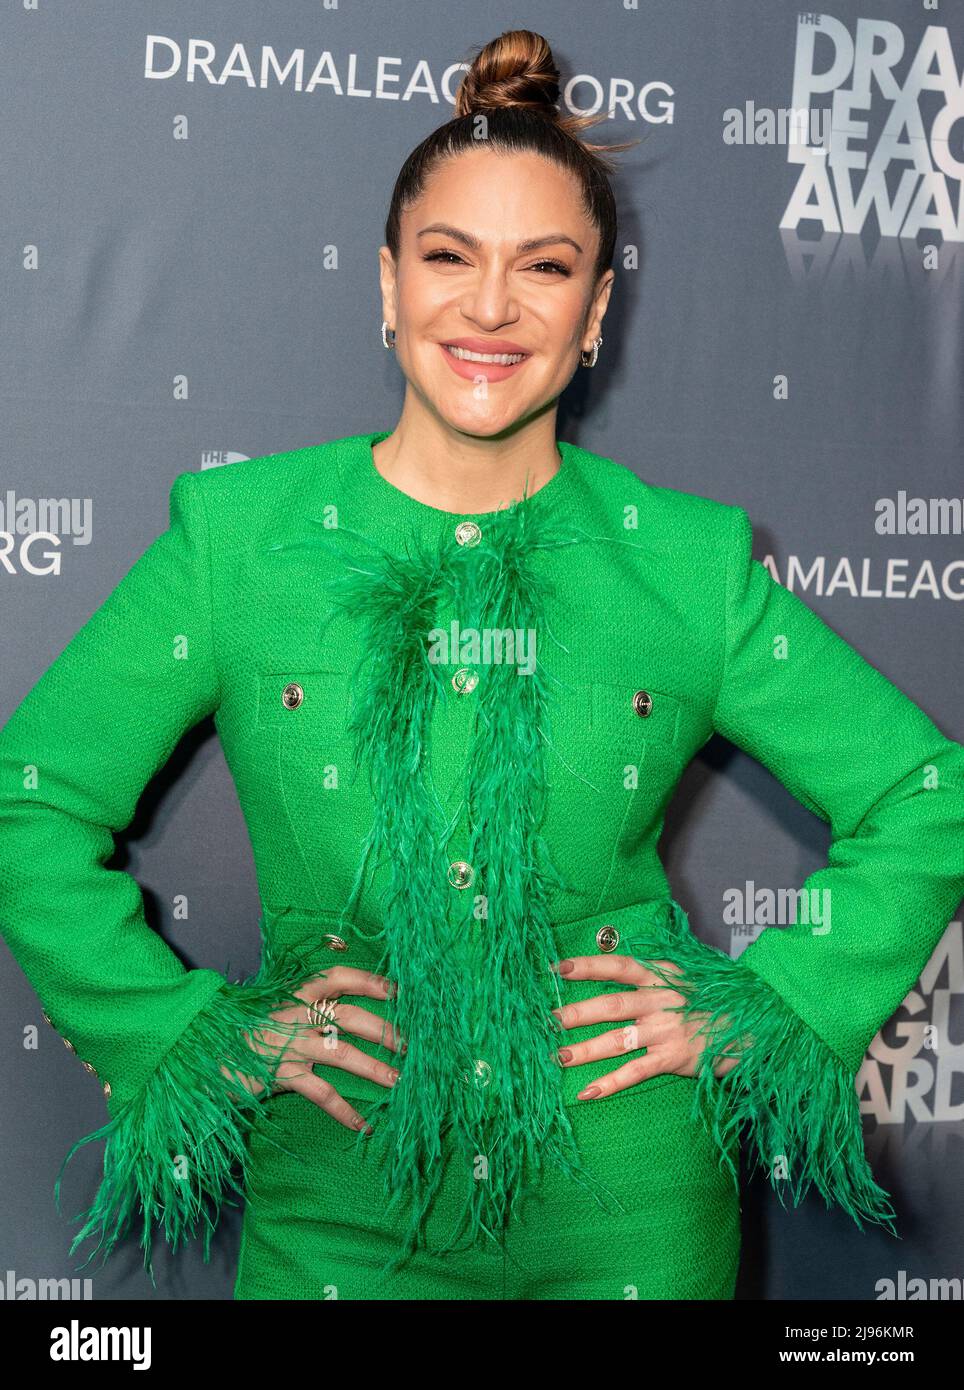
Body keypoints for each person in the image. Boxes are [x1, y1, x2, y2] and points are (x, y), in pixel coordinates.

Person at [1, 28, 962, 1302]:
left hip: (638, 1219)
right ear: (387, 284)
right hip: (331, 1214)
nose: (491, 307)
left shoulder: (683, 563)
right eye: (448, 258)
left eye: (544, 267)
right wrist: (187, 1036)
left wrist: (763, 1008)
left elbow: (922, 794)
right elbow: (32, 799)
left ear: (597, 309)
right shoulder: (239, 544)